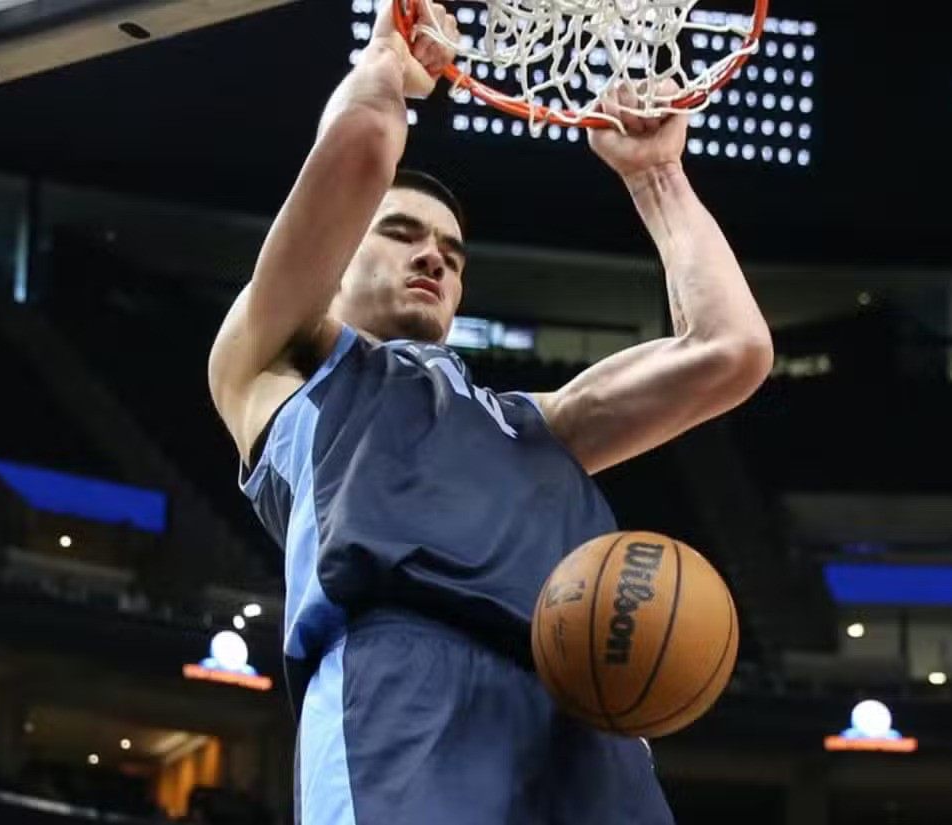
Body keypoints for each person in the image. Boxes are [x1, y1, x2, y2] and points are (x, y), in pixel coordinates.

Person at [206, 3, 773, 823]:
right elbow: (362, 145)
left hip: (587, 708)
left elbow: (733, 349)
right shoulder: (275, 361)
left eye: (452, 252)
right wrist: (388, 73)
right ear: (335, 260)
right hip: (403, 680)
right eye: (400, 233)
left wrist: (656, 176)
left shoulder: (535, 421)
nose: (433, 254)